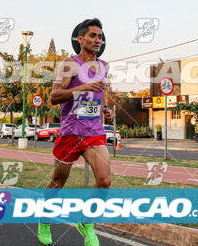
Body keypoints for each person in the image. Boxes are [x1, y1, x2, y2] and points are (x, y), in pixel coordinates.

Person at [37, 18, 113, 246]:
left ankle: (86, 223)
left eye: (100, 36)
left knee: (105, 180)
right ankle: (44, 220)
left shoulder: (104, 66)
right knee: (58, 181)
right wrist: (82, 87)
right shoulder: (70, 65)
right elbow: (54, 97)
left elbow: (102, 93)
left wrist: (105, 110)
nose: (98, 40)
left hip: (94, 132)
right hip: (70, 132)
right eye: (93, 36)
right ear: (80, 39)